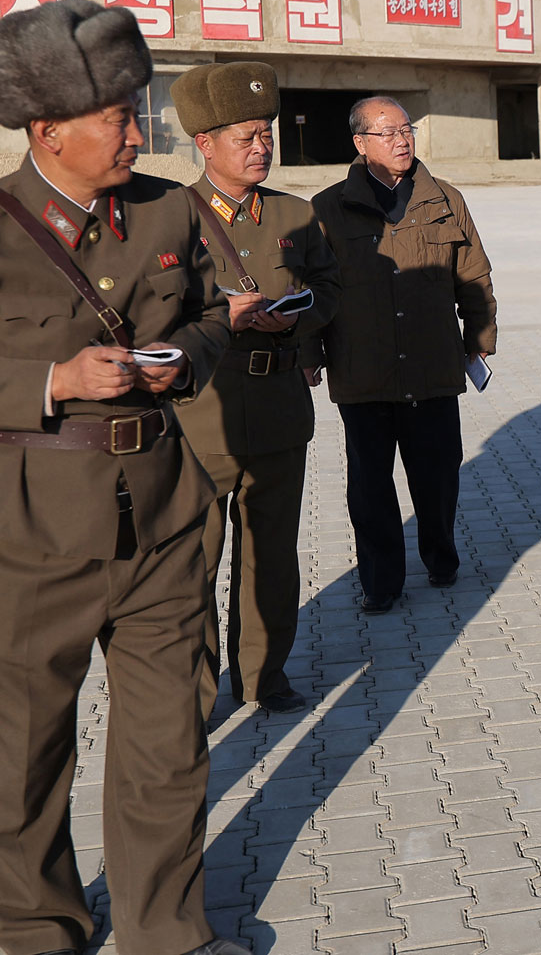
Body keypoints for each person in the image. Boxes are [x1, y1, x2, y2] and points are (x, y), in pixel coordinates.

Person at [0, 0, 246, 955]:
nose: (142, 132)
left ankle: (167, 932)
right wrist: (52, 380)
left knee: (169, 745)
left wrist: (190, 355)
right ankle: (40, 930)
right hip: (28, 532)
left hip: (165, 517)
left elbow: (216, 315)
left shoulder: (171, 208)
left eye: (140, 111)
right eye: (119, 118)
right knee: (25, 753)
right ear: (48, 130)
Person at [169, 62, 340, 721]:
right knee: (193, 563)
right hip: (200, 416)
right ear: (204, 144)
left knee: (271, 556)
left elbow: (331, 288)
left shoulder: (297, 215)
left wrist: (299, 316)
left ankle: (265, 676)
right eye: (245, 137)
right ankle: (193, 692)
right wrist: (225, 314)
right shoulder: (171, 218)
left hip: (277, 413)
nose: (261, 147)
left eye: (265, 134)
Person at [312, 97, 496, 614]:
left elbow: (474, 276)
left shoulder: (446, 199)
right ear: (360, 143)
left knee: (439, 476)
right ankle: (381, 582)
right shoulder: (327, 209)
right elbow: (311, 288)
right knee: (370, 489)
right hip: (363, 370)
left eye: (406, 130)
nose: (402, 140)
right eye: (387, 132)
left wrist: (480, 337)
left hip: (432, 366)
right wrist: (308, 352)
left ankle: (441, 557)